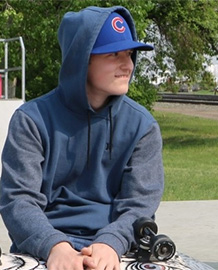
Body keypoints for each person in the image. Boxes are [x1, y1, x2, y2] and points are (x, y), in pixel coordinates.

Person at [0, 6, 164, 270]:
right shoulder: (32, 119)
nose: (128, 64)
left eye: (130, 54)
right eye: (114, 54)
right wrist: (55, 246)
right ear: (81, 58)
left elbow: (139, 205)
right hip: (42, 249)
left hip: (115, 249)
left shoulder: (142, 126)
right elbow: (18, 200)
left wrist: (111, 243)